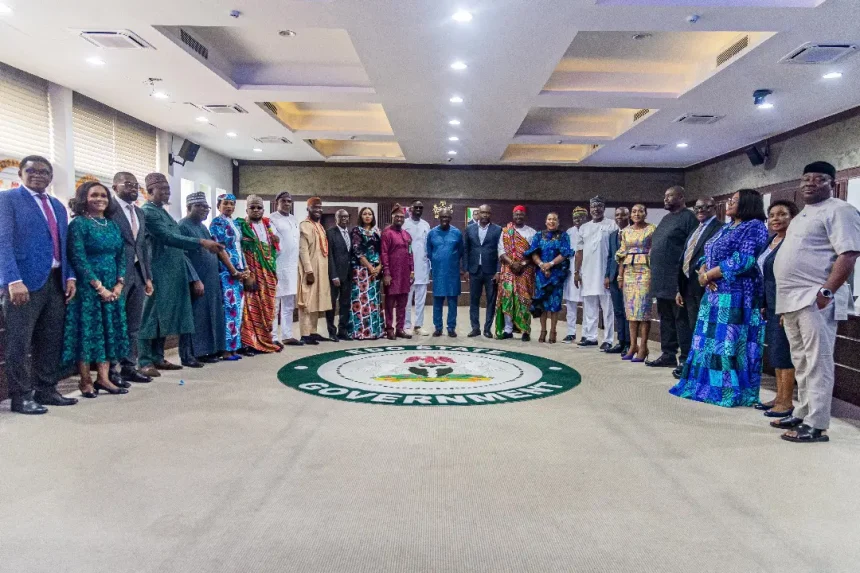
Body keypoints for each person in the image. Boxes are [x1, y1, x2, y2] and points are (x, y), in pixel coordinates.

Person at [772, 162, 860, 443]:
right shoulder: (802, 215)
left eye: (818, 179)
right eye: (805, 178)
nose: (810, 183)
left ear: (831, 183)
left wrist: (827, 292)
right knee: (801, 361)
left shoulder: (840, 210)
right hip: (791, 300)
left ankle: (817, 423)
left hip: (815, 299)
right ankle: (803, 412)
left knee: (818, 362)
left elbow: (848, 254)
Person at [669, 189, 769, 407]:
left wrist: (709, 275)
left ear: (747, 204)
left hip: (736, 295)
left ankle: (727, 390)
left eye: (734, 201)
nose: (729, 204)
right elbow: (708, 252)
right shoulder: (727, 226)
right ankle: (705, 386)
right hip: (714, 293)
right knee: (706, 342)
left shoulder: (755, 227)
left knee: (727, 343)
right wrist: (703, 270)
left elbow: (744, 260)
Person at [0, 156, 78, 414]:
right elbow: (3, 243)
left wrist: (70, 276)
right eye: (31, 170)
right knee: (19, 342)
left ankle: (46, 390)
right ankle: (21, 397)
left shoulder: (57, 205)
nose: (38, 175)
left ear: (51, 177)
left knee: (51, 340)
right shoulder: (7, 200)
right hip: (23, 284)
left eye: (44, 172)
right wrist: (13, 280)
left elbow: (64, 244)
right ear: (20, 173)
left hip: (55, 282)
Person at [138, 173, 223, 378]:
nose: (167, 193)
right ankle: (144, 361)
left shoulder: (163, 212)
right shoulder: (148, 212)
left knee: (164, 317)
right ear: (150, 192)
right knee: (150, 317)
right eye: (163, 190)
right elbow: (168, 237)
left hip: (173, 272)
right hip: (157, 271)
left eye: (168, 189)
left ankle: (158, 357)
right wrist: (201, 243)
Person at [62, 181, 129, 398]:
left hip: (112, 285)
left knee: (109, 331)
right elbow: (78, 258)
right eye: (94, 195)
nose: (100, 199)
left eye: (104, 196)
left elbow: (121, 254)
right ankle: (85, 381)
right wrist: (99, 287)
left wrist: (119, 283)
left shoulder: (112, 225)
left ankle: (104, 378)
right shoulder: (79, 224)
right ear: (84, 198)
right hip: (88, 287)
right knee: (89, 333)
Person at [107, 172, 153, 385]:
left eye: (136, 185)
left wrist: (148, 277)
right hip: (116, 274)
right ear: (115, 187)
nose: (133, 188)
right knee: (116, 322)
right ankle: (111, 370)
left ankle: (129, 366)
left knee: (134, 324)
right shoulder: (108, 210)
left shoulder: (139, 212)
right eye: (128, 184)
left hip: (138, 273)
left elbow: (142, 246)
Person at [755, 200, 799, 419]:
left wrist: (785, 308)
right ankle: (779, 397)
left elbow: (791, 277)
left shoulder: (793, 242)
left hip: (786, 304)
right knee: (775, 352)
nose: (776, 219)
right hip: (770, 303)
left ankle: (787, 401)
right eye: (772, 215)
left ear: (793, 217)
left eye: (782, 214)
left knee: (785, 353)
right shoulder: (771, 240)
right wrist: (763, 303)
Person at [647, 186, 697, 369]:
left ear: (682, 197)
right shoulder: (666, 218)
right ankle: (668, 354)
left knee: (681, 320)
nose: (665, 199)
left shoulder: (689, 218)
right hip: (661, 279)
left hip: (677, 279)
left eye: (670, 196)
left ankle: (685, 359)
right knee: (665, 319)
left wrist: (682, 282)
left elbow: (692, 248)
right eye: (665, 196)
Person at [673, 197, 721, 378]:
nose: (700, 210)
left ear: (714, 208)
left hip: (703, 285)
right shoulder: (695, 230)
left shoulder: (720, 229)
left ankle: (698, 367)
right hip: (685, 285)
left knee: (700, 328)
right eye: (697, 207)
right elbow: (686, 256)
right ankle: (687, 361)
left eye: (705, 207)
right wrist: (679, 288)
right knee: (684, 325)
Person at [178, 192, 226, 366]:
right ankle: (189, 355)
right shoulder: (183, 226)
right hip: (196, 280)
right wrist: (195, 279)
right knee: (193, 318)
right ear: (189, 207)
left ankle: (205, 351)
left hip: (210, 280)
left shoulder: (203, 227)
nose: (205, 210)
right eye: (200, 206)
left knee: (207, 316)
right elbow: (182, 256)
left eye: (207, 207)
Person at [237, 195, 282, 354]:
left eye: (259, 208)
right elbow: (238, 252)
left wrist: (275, 241)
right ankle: (249, 343)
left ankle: (266, 340)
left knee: (268, 308)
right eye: (252, 207)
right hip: (251, 274)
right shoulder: (240, 226)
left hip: (268, 274)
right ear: (246, 209)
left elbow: (274, 251)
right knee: (250, 308)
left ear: (264, 209)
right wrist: (247, 275)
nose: (256, 210)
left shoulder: (268, 225)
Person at [209, 194, 249, 361]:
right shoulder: (216, 223)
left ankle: (234, 348)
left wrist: (246, 268)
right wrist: (233, 270)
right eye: (225, 204)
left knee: (237, 310)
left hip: (238, 270)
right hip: (226, 272)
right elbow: (220, 249)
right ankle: (225, 350)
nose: (229, 207)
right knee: (229, 310)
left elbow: (239, 247)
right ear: (218, 206)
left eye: (232, 204)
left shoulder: (235, 223)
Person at [574, 196, 617, 349]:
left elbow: (615, 251)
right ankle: (590, 337)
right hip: (587, 272)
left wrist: (610, 274)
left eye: (599, 206)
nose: (596, 209)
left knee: (607, 308)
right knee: (589, 307)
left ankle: (608, 339)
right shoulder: (584, 227)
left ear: (604, 208)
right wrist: (576, 272)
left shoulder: (612, 225)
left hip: (605, 273)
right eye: (593, 206)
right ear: (590, 208)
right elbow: (579, 252)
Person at [616, 204, 656, 362]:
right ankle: (633, 346)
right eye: (634, 211)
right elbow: (621, 254)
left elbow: (655, 251)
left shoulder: (652, 229)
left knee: (644, 311)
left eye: (640, 211)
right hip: (629, 272)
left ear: (646, 213)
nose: (637, 214)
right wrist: (620, 277)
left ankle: (644, 346)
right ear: (630, 215)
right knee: (631, 312)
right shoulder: (626, 231)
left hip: (646, 271)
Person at [526, 212, 573, 343]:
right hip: (541, 274)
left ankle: (553, 331)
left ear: (558, 222)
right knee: (541, 303)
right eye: (549, 219)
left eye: (554, 219)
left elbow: (565, 253)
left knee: (554, 304)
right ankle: (543, 330)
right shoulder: (538, 235)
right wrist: (542, 265)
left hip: (556, 275)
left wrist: (551, 264)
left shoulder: (563, 236)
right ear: (545, 222)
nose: (551, 221)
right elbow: (533, 253)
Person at [495, 205, 536, 340]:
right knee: (508, 298)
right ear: (513, 216)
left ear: (525, 216)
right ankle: (508, 329)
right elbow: (501, 251)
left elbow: (535, 252)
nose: (519, 216)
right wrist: (512, 263)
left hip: (525, 271)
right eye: (516, 214)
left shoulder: (532, 232)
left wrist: (522, 264)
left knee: (524, 299)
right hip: (508, 269)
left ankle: (525, 330)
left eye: (521, 214)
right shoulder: (506, 231)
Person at [463, 204, 502, 338]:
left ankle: (487, 329)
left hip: (491, 271)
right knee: (474, 300)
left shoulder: (498, 230)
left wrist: (498, 271)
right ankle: (475, 328)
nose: (485, 215)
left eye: (487, 213)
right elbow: (466, 250)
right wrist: (466, 269)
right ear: (478, 214)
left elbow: (500, 251)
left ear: (490, 215)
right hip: (474, 270)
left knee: (491, 300)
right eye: (482, 212)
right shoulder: (469, 229)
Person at [269, 191, 302, 346]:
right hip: (278, 265)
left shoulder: (294, 219)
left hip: (292, 266)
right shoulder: (271, 219)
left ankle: (288, 335)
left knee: (289, 303)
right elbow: (273, 241)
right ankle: (273, 336)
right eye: (284, 201)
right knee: (275, 303)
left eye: (289, 201)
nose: (287, 203)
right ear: (277, 202)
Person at [298, 197, 332, 344]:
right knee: (307, 301)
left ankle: (313, 331)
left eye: (320, 207)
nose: (318, 210)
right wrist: (308, 271)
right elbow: (303, 250)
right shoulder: (304, 225)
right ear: (308, 209)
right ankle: (305, 334)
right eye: (314, 207)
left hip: (322, 269)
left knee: (317, 300)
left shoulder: (319, 226)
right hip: (310, 270)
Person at [427, 207, 464, 337]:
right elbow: (429, 252)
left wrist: (453, 262)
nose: (445, 219)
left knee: (452, 302)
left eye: (447, 217)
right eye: (442, 217)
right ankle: (438, 327)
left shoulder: (457, 233)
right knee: (437, 301)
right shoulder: (432, 233)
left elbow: (461, 252)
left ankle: (451, 328)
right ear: (439, 218)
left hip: (452, 273)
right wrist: (437, 262)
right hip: (438, 272)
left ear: (451, 218)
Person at [348, 206, 383, 340]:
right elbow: (357, 251)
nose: (367, 216)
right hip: (361, 270)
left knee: (373, 300)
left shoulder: (377, 232)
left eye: (370, 214)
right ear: (361, 217)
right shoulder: (357, 231)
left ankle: (375, 330)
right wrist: (369, 266)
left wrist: (379, 267)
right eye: (365, 214)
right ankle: (361, 331)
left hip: (375, 271)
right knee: (361, 300)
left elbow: (382, 251)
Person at [381, 204, 415, 340]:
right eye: (397, 217)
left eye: (402, 217)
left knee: (403, 303)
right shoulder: (387, 233)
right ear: (392, 217)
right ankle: (389, 328)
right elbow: (383, 253)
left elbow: (410, 253)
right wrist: (387, 273)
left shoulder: (407, 235)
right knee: (389, 304)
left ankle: (400, 328)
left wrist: (412, 270)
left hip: (405, 274)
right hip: (392, 274)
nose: (400, 219)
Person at [604, 207, 630, 354]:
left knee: (628, 312)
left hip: (630, 277)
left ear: (628, 216)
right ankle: (621, 341)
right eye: (617, 215)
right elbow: (610, 257)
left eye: (623, 214)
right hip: (614, 277)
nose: (620, 217)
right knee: (618, 311)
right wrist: (607, 275)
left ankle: (629, 343)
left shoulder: (632, 232)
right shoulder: (613, 235)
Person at [403, 200, 431, 335]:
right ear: (410, 209)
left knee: (421, 300)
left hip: (423, 266)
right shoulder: (404, 224)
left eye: (421, 207)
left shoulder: (426, 225)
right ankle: (406, 325)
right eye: (416, 207)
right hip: (407, 268)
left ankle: (418, 326)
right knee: (407, 299)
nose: (418, 209)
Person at [326, 209, 352, 341]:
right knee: (331, 305)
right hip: (335, 276)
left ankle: (343, 330)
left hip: (348, 275)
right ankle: (331, 332)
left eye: (346, 217)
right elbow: (329, 255)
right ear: (336, 218)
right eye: (341, 217)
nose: (344, 219)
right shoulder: (330, 233)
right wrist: (333, 275)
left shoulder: (351, 233)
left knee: (345, 304)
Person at [562, 207, 587, 343]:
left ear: (586, 218)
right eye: (575, 217)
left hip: (586, 269)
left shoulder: (589, 229)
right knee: (570, 303)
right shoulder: (569, 232)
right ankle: (571, 332)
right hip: (571, 269)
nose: (578, 220)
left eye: (581, 217)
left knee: (586, 305)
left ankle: (586, 333)